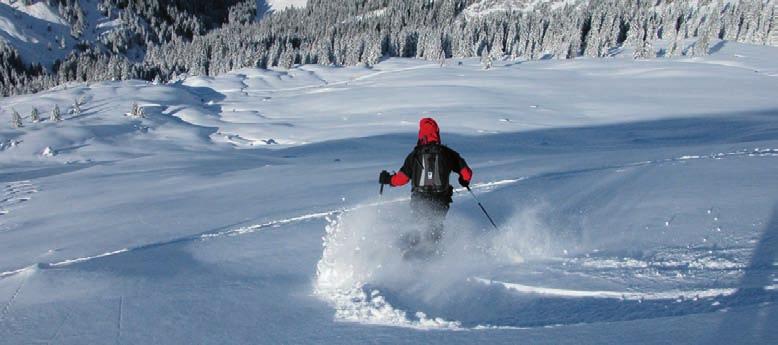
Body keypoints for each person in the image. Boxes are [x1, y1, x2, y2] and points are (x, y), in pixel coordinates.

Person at [379, 118, 473, 256]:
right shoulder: (448, 153)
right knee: (435, 226)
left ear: (420, 134)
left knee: (417, 224)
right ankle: (433, 255)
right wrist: (463, 181)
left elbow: (401, 179)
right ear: (437, 133)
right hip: (441, 199)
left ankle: (410, 253)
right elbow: (467, 173)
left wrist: (388, 179)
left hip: (419, 199)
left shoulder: (414, 155)